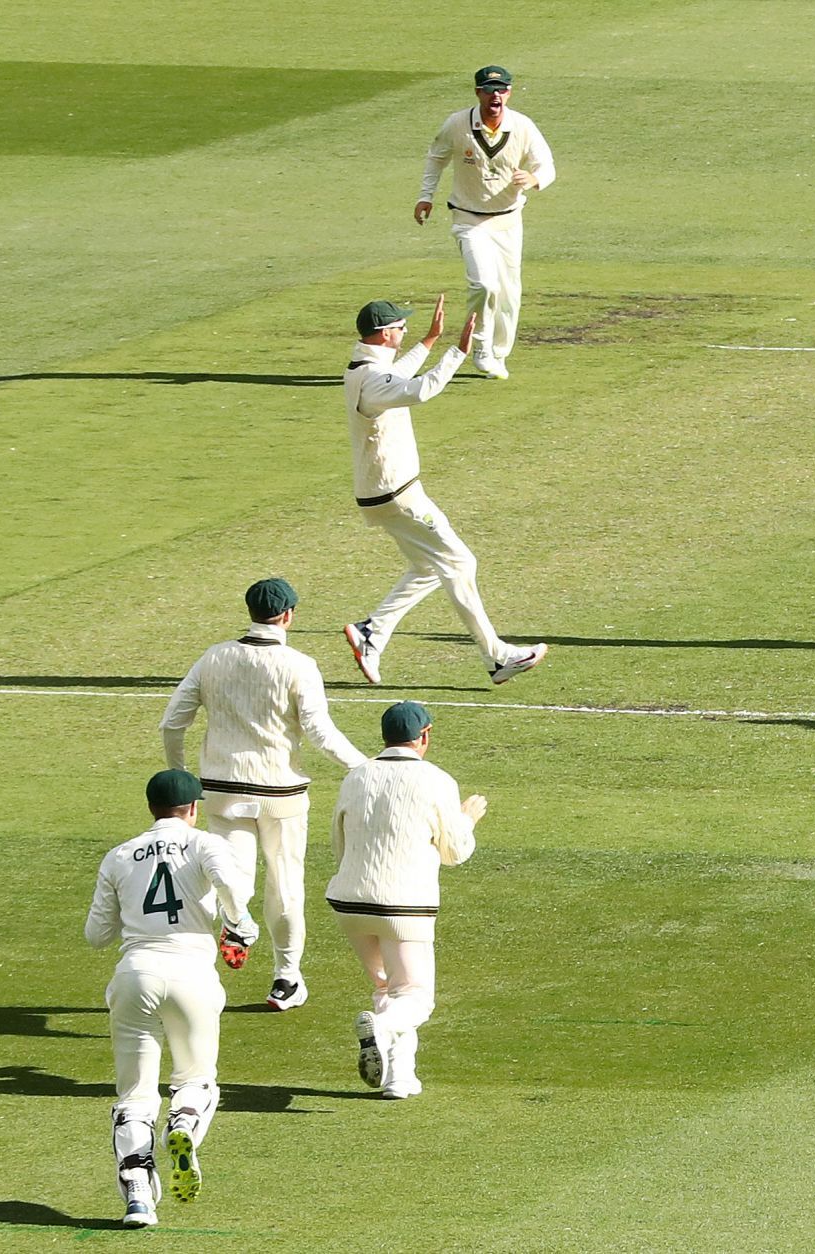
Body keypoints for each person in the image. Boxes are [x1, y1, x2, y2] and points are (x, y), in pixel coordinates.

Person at [160, 577, 366, 1012]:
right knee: (285, 886)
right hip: (281, 794)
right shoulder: (299, 664)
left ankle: (228, 931)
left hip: (221, 791)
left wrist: (181, 775)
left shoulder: (214, 657)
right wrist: (365, 766)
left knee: (229, 881)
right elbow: (319, 732)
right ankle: (287, 978)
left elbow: (172, 722)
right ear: (288, 615)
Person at [343, 295, 548, 687]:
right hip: (398, 494)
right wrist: (457, 352)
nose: (403, 331)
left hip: (383, 493)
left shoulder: (363, 368)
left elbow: (396, 376)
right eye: (400, 327)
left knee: (428, 567)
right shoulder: (371, 381)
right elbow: (418, 390)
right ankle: (497, 657)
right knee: (460, 563)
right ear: (386, 333)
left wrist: (430, 340)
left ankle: (372, 632)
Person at [86, 769, 258, 1229]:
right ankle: (182, 1126)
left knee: (135, 1095)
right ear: (194, 808)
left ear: (150, 809)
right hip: (191, 975)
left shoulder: (119, 855)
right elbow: (233, 885)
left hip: (135, 975)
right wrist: (239, 926)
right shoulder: (203, 843)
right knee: (197, 1079)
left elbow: (96, 935)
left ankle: (138, 1196)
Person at [326, 702, 485, 1100]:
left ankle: (400, 1076)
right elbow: (456, 852)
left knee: (388, 988)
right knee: (415, 996)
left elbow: (337, 841)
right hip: (404, 907)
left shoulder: (356, 776)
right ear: (425, 736)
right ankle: (379, 1030)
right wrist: (466, 819)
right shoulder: (437, 781)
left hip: (349, 901)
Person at [414, 65, 557, 380]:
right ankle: (479, 347)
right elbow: (437, 156)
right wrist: (425, 196)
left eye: (502, 89)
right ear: (478, 92)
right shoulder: (457, 124)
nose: (497, 95)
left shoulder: (522, 126)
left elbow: (547, 165)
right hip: (468, 218)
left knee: (508, 293)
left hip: (508, 221)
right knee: (484, 284)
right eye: (490, 90)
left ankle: (499, 353)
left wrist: (533, 178)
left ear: (509, 92)